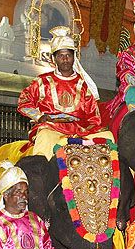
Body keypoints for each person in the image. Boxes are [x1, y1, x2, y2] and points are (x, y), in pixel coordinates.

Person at [17, 26, 113, 158]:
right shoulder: (42, 81)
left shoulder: (83, 85)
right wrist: (39, 116)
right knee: (45, 136)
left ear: (74, 57)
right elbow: (24, 102)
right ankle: (39, 168)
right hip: (51, 129)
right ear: (54, 59)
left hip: (79, 132)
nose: (65, 59)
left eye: (68, 55)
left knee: (108, 136)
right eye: (61, 56)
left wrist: (87, 129)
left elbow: (94, 118)